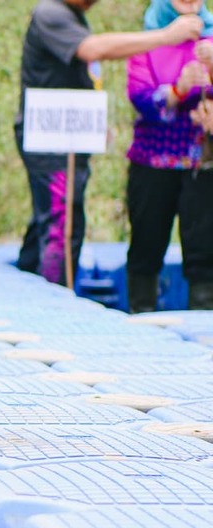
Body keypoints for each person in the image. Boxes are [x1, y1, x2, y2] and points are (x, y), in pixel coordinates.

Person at [14, 0, 203, 286]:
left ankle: (29, 283)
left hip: (69, 137)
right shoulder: (50, 12)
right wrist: (167, 37)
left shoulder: (73, 16)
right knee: (62, 224)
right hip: (52, 139)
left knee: (54, 216)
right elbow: (93, 49)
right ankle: (53, 300)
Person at [124, 0, 213, 312]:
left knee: (204, 250)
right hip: (152, 161)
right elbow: (141, 98)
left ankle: (205, 326)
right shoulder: (147, 42)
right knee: (147, 243)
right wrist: (178, 90)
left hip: (203, 164)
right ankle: (140, 313)